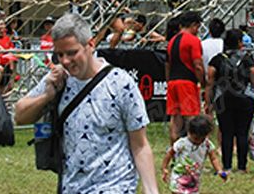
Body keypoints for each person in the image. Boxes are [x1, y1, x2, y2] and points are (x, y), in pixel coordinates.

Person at [15, 13, 158, 194]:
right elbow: (19, 116)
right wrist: (46, 96)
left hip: (115, 187)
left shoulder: (121, 83)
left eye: (72, 52)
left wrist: (151, 190)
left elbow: (140, 145)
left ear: (90, 44)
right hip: (72, 186)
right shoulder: (59, 79)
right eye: (60, 54)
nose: (66, 61)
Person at [205, 29, 254, 172]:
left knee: (226, 132)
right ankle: (242, 167)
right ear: (240, 42)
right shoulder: (248, 58)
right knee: (242, 133)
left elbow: (210, 83)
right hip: (245, 100)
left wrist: (208, 103)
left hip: (223, 100)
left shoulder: (217, 59)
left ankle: (226, 166)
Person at [165, 11, 205, 144]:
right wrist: (203, 82)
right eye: (198, 28)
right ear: (194, 25)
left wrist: (168, 81)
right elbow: (197, 64)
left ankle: (174, 151)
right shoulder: (193, 41)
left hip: (172, 82)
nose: (197, 31)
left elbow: (168, 65)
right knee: (192, 119)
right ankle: (192, 154)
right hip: (186, 83)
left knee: (175, 119)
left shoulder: (171, 41)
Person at [161, 115, 227, 193]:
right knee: (177, 191)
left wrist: (219, 170)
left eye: (202, 139)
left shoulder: (207, 144)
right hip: (179, 175)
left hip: (194, 177)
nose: (198, 142)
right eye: (195, 138)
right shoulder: (182, 143)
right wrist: (164, 168)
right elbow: (169, 154)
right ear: (189, 132)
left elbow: (213, 158)